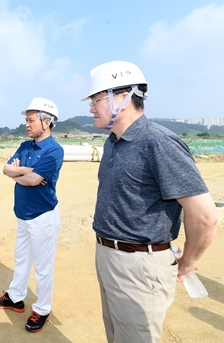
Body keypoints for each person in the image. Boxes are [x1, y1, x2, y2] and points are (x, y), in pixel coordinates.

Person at [83, 60, 219, 342]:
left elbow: (204, 216)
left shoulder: (158, 142)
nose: (91, 107)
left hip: (140, 265)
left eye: (96, 99)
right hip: (108, 255)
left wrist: (187, 261)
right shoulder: (112, 141)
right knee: (116, 334)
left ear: (122, 97)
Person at [0, 98, 64, 333]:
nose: (27, 124)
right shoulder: (25, 146)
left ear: (47, 122)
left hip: (43, 216)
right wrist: (24, 171)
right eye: (26, 120)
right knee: (21, 258)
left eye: (31, 120)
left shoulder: (54, 150)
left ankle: (42, 309)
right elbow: (6, 169)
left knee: (43, 266)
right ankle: (15, 296)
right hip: (22, 214)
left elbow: (34, 181)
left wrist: (23, 174)